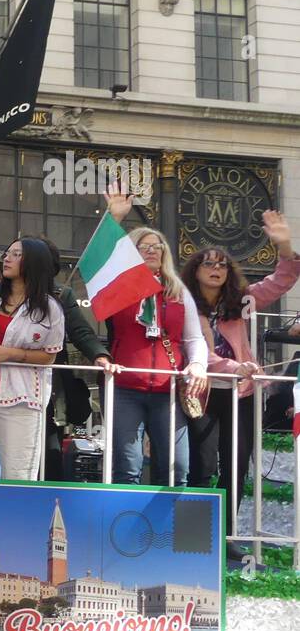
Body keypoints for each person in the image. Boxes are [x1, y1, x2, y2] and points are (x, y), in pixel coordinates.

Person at [182, 210, 298, 517]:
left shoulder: (242, 301)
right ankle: (194, 540)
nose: (216, 268)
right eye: (208, 262)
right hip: (201, 392)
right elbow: (201, 357)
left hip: (241, 394)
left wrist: (285, 246)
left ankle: (226, 536)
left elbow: (281, 281)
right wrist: (237, 367)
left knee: (236, 465)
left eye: (222, 264)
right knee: (202, 466)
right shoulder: (182, 305)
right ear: (195, 270)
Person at [100, 187, 208, 486]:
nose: (152, 250)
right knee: (127, 465)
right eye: (144, 246)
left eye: (158, 246)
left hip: (167, 388)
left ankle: (170, 530)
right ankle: (125, 530)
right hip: (125, 387)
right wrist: (114, 220)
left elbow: (194, 338)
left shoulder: (177, 290)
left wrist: (198, 365)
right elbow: (101, 259)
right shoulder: (119, 287)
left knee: (178, 467)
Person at [0, 239, 65, 484]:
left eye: (16, 254)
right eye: (7, 253)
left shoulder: (50, 309)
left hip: (22, 397)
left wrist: (12, 353)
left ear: (33, 263)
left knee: (18, 468)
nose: (7, 258)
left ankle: (15, 523)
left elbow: (50, 356)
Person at [37, 239, 111, 481]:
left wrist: (99, 354)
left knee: (50, 447)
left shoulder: (61, 294)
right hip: (8, 380)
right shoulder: (0, 292)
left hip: (49, 383)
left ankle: (51, 504)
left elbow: (81, 331)